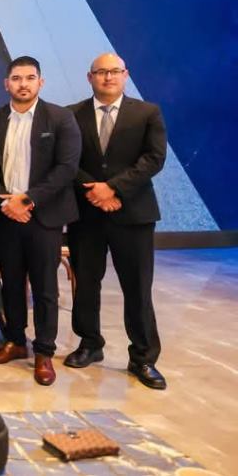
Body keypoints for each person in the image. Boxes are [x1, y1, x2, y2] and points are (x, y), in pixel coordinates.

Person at [65, 53, 167, 389]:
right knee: (86, 283)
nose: (108, 77)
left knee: (137, 287)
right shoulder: (71, 114)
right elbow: (66, 161)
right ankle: (89, 343)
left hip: (133, 213)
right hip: (87, 213)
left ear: (125, 74)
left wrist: (114, 188)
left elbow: (154, 158)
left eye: (114, 71)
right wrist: (94, 190)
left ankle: (143, 358)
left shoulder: (147, 112)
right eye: (101, 72)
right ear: (89, 77)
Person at [0, 56, 81, 386]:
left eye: (29, 78)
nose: (22, 84)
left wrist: (27, 199)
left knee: (44, 287)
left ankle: (44, 352)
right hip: (6, 214)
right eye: (16, 78)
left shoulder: (60, 118)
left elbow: (66, 168)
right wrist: (7, 202)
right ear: (6, 84)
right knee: (11, 283)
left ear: (40, 82)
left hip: (43, 216)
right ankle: (15, 341)